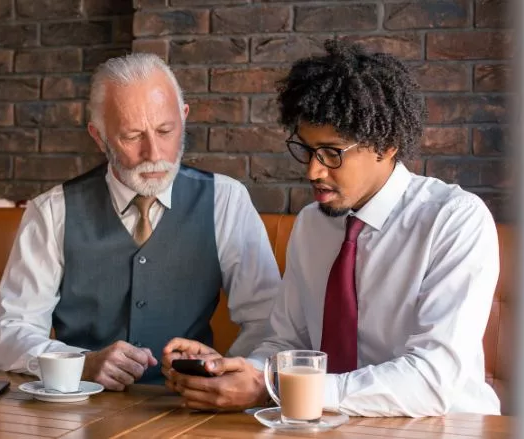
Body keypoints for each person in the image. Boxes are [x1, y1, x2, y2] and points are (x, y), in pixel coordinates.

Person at [162, 40, 501, 417]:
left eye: (332, 153)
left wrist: (276, 388)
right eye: (306, 150)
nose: (313, 171)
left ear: (385, 145)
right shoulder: (312, 225)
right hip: (324, 424)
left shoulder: (454, 220)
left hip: (444, 427)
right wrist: (238, 371)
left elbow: (431, 380)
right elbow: (286, 341)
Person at [0, 53, 281, 391]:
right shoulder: (52, 211)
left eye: (165, 130)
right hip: (80, 410)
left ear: (183, 118)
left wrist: (229, 371)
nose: (154, 154)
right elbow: (9, 331)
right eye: (132, 136)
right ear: (99, 136)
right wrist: (79, 364)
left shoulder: (226, 200)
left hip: (186, 409)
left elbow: (269, 322)